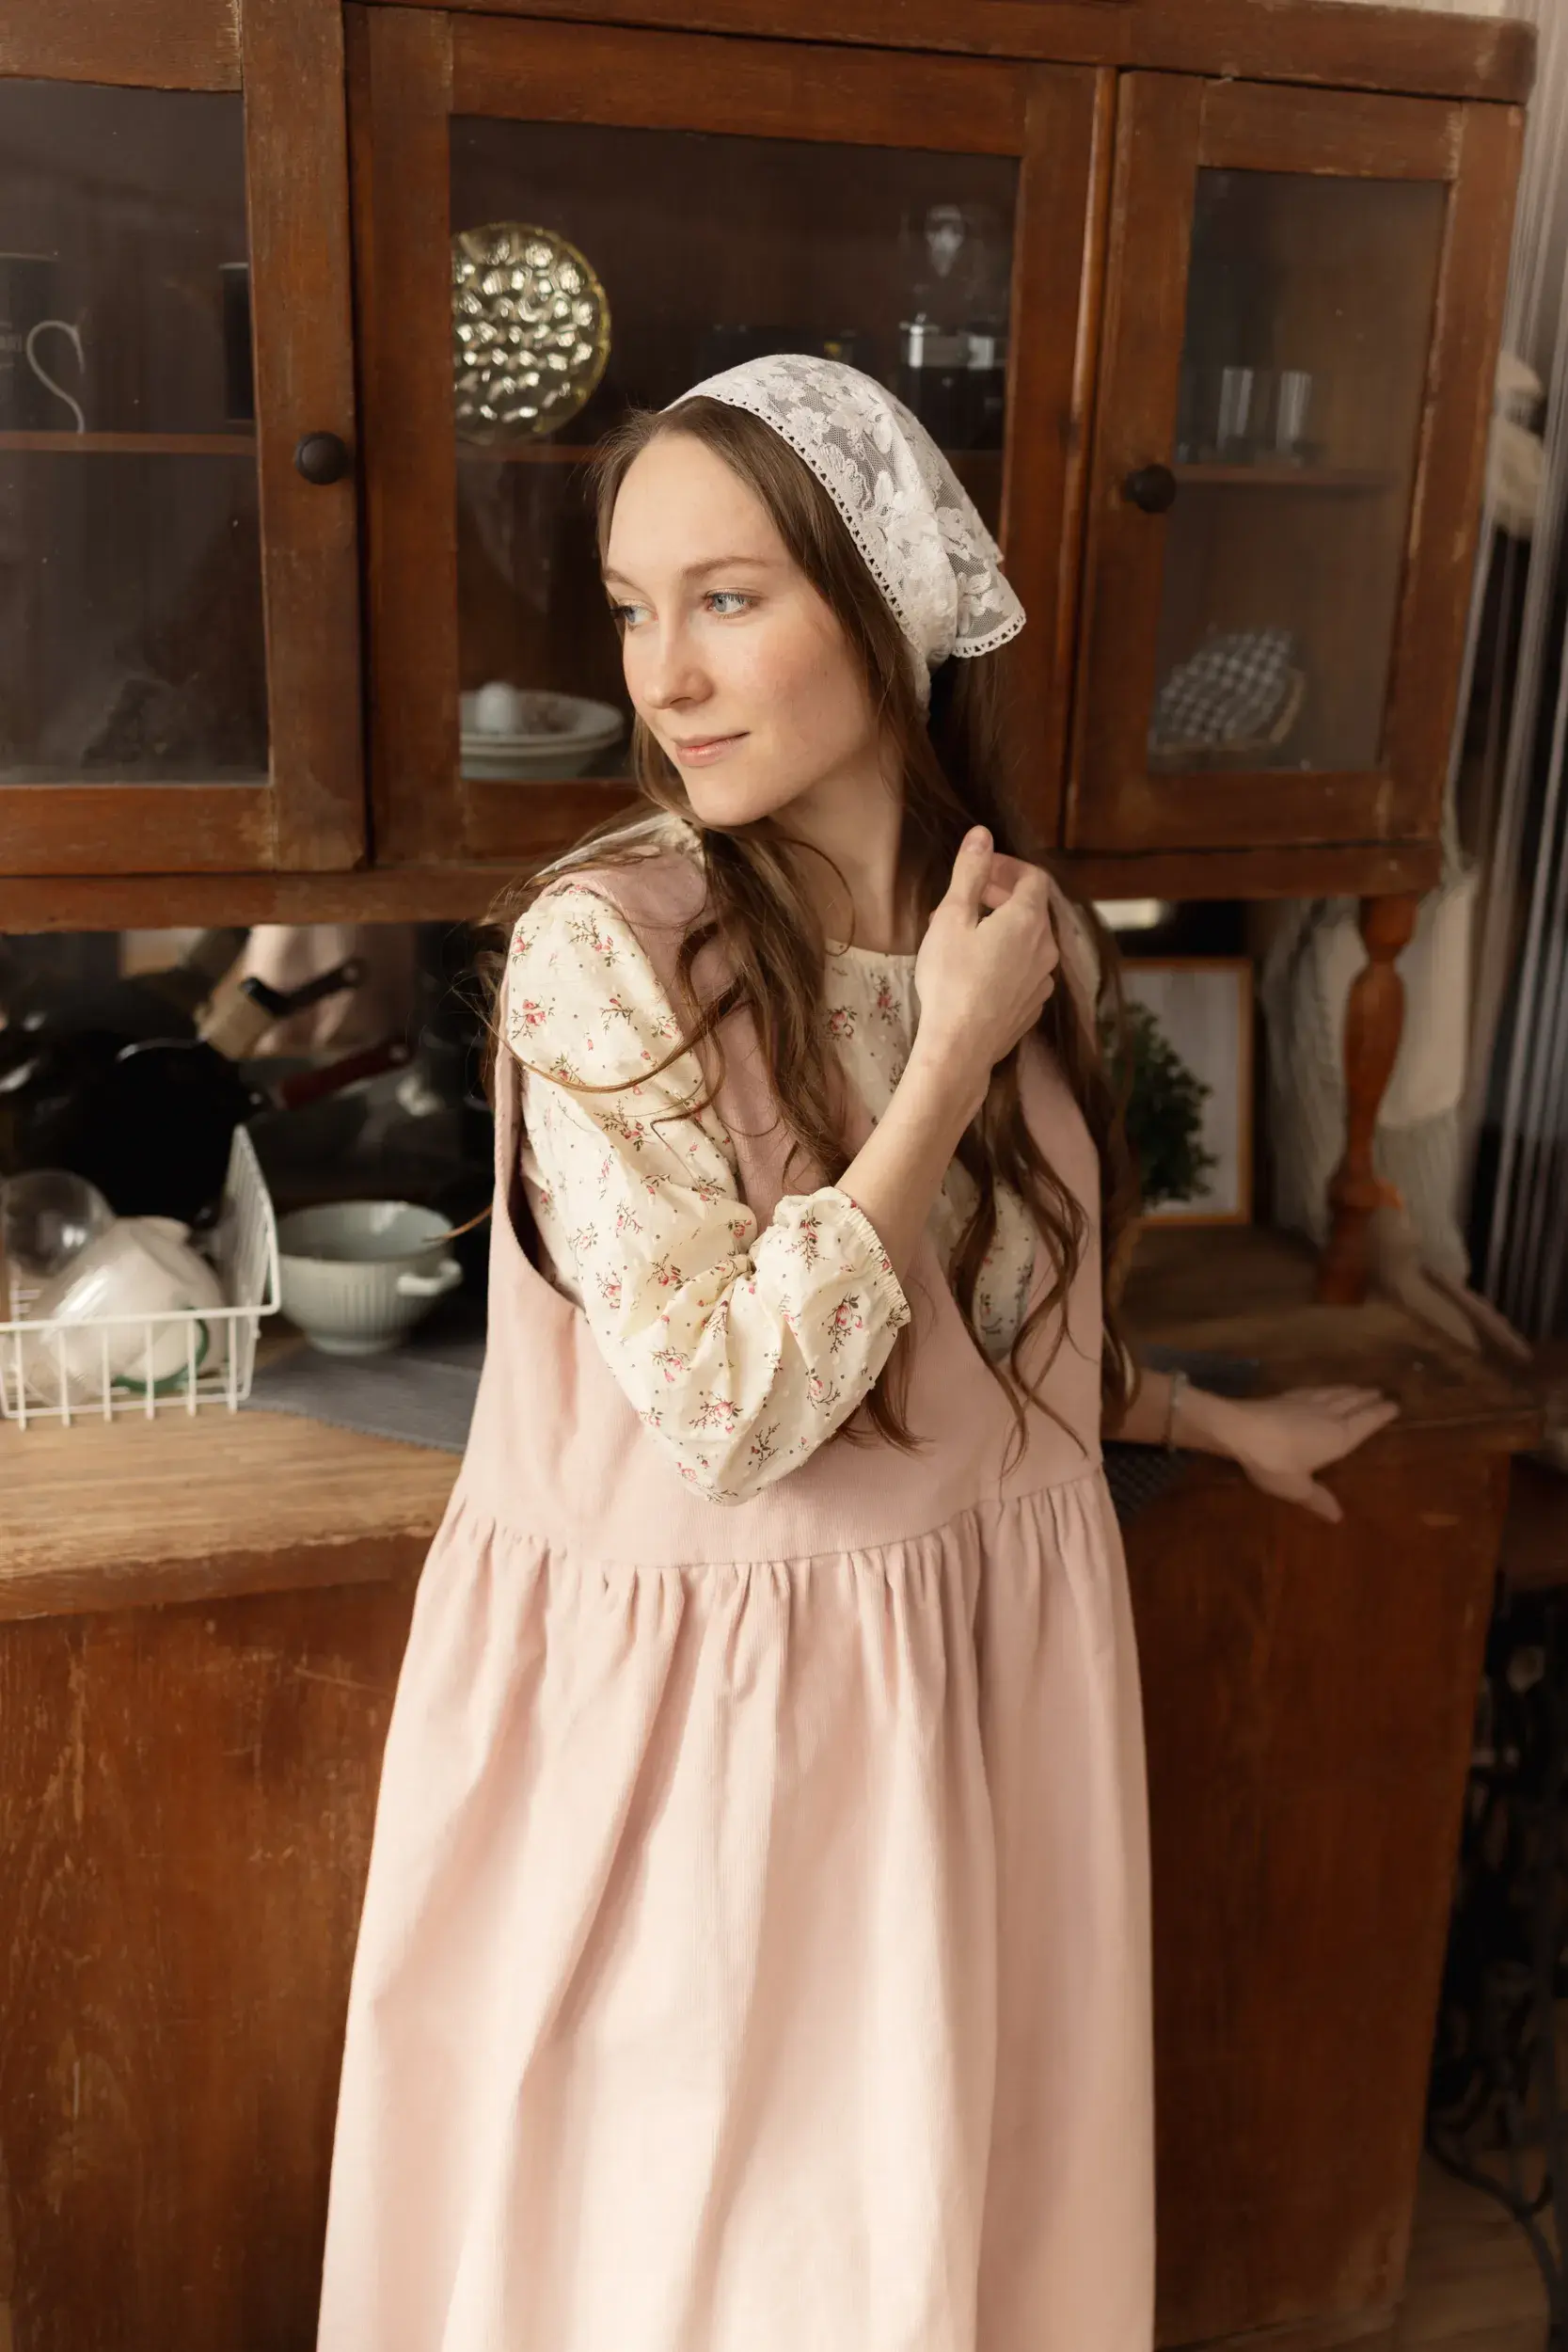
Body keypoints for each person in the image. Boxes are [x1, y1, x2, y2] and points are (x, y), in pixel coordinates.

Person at [315, 355, 1398, 2352]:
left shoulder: (1030, 937)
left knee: (949, 2240)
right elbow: (735, 1410)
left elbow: (996, 1336)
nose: (662, 675)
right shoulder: (605, 948)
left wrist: (1197, 1418)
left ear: (887, 607)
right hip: (722, 1725)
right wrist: (947, 1060)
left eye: (726, 598)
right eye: (632, 609)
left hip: (983, 1671)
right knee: (726, 2278)